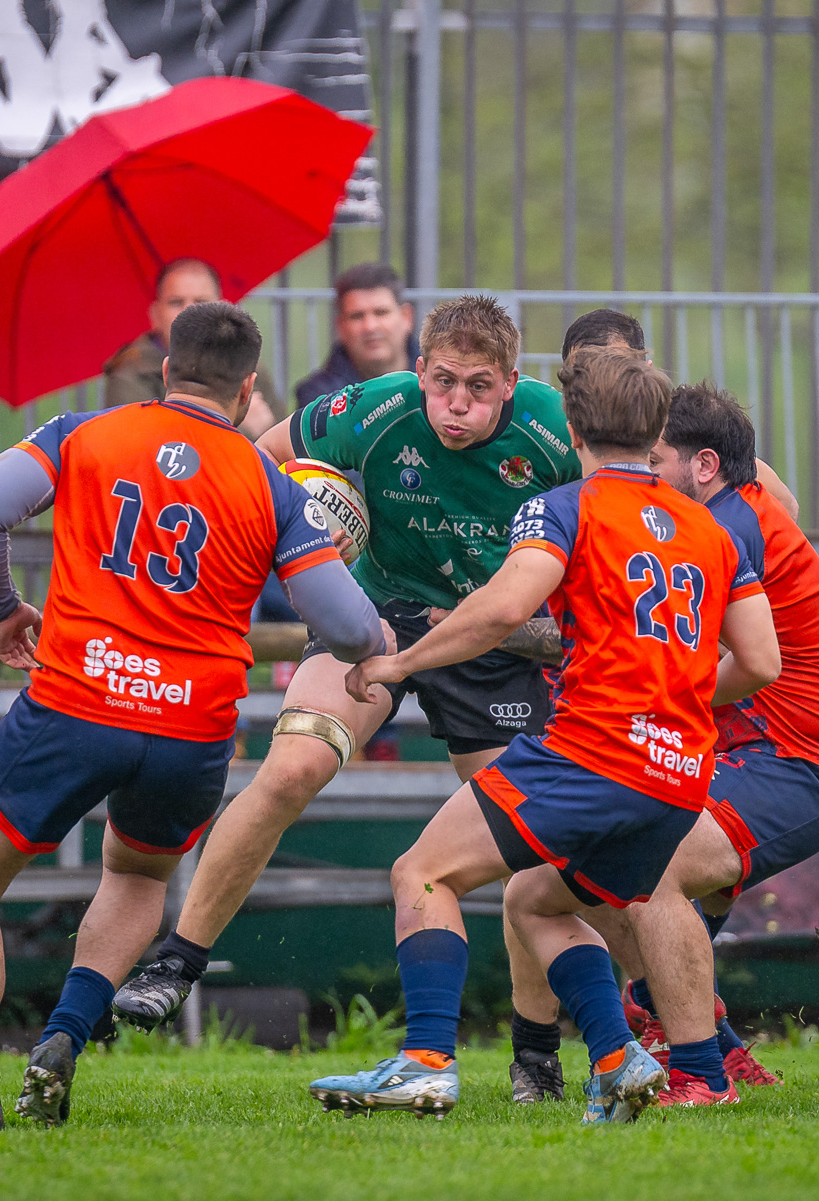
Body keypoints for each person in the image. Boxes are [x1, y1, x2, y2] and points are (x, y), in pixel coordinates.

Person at [0, 301, 383, 1131]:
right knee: (137, 875)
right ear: (248, 391)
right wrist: (382, 623)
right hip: (189, 726)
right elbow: (350, 630)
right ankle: (65, 1030)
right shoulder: (270, 481)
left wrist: (3, 606)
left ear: (166, 369)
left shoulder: (84, 432)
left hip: (74, 700)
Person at [307, 348, 781, 1124]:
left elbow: (501, 609)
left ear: (570, 425)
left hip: (590, 755)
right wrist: (672, 691)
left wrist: (405, 661)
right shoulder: (715, 527)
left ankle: (424, 1061)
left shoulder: (564, 506)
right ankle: (622, 1058)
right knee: (535, 899)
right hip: (677, 772)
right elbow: (761, 659)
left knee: (422, 873)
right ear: (656, 428)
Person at [108, 297, 590, 1030]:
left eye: (481, 387)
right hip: (381, 622)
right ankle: (176, 962)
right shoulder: (374, 407)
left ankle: (536, 1050)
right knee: (292, 765)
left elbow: (614, 514)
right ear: (419, 370)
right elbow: (256, 456)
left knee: (532, 851)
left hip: (493, 638)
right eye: (444, 382)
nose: (457, 404)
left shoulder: (553, 428)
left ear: (513, 381)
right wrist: (298, 532)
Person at [503, 383, 819, 1108]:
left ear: (703, 465)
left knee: (648, 870)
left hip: (795, 762)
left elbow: (700, 657)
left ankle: (701, 1072)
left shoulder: (725, 526)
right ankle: (695, 1036)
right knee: (536, 890)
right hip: (728, 754)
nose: (642, 470)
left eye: (656, 458)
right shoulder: (723, 504)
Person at [102, 258, 279, 438]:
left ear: (224, 310)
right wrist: (243, 431)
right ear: (155, 315)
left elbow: (282, 449)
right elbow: (147, 451)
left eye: (201, 302)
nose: (189, 313)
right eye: (176, 302)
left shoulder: (249, 368)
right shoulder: (131, 375)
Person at [292, 262, 419, 410]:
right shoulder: (319, 400)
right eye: (357, 316)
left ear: (406, 316)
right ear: (340, 325)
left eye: (381, 312)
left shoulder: (442, 379)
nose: (370, 327)